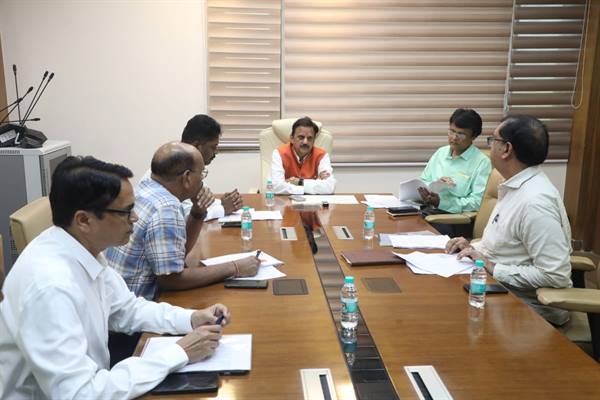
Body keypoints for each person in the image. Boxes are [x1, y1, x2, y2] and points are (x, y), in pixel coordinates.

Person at [0, 156, 229, 399]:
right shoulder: (50, 286)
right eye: (126, 211)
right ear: (84, 220)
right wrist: (179, 352)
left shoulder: (81, 247)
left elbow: (127, 309)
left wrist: (191, 318)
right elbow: (79, 394)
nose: (135, 218)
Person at [446, 115, 572, 325]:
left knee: (445, 315)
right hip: (496, 290)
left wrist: (491, 265)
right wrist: (472, 247)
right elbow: (508, 246)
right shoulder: (514, 186)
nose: (489, 148)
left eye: (492, 140)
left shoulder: (535, 202)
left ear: (506, 149)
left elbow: (555, 275)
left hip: (526, 310)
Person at [105, 142, 260, 301]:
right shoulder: (166, 208)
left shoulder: (146, 187)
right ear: (187, 178)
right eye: (202, 173)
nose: (202, 180)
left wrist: (198, 212)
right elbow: (171, 280)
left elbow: (177, 254)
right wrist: (235, 267)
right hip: (138, 304)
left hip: (119, 297)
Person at [142, 114, 243, 220]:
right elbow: (185, 217)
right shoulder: (178, 173)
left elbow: (197, 202)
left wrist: (220, 203)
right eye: (213, 147)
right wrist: (223, 208)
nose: (216, 152)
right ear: (196, 146)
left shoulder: (185, 165)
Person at [419, 109, 492, 236]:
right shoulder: (441, 153)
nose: (454, 138)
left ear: (473, 137)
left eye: (461, 134)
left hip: (456, 220)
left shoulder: (482, 162)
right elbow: (423, 180)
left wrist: (442, 202)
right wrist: (433, 186)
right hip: (429, 210)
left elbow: (477, 202)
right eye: (451, 131)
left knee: (417, 228)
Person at [271, 116, 336, 195]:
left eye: (310, 138)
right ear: (292, 138)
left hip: (314, 202)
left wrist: (298, 182)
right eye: (301, 137)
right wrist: (315, 183)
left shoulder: (322, 155)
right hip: (287, 201)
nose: (305, 142)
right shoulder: (279, 153)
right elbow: (276, 187)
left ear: (314, 140)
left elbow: (330, 187)